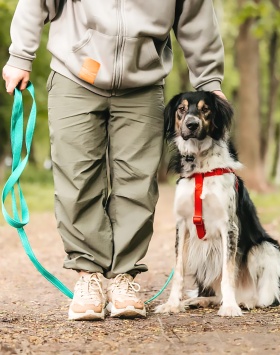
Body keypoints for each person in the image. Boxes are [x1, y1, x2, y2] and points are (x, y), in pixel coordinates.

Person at [2, 0, 226, 321]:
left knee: (138, 181)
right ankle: (88, 276)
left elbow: (195, 16)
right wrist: (20, 56)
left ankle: (124, 279)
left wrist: (209, 82)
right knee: (77, 179)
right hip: (75, 72)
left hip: (144, 83)